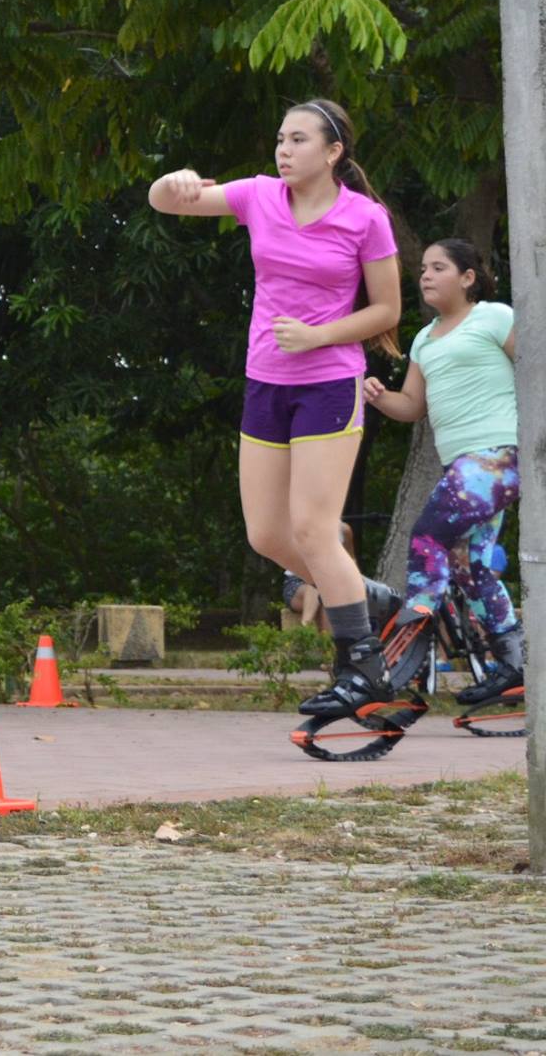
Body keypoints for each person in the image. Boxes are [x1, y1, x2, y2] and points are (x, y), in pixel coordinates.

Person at [148, 99, 402, 719]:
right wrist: (171, 182)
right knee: (267, 534)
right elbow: (167, 202)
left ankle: (363, 668)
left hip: (329, 382)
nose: (283, 151)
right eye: (280, 140)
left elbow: (387, 312)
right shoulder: (259, 196)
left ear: (333, 151)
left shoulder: (365, 218)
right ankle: (367, 593)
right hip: (265, 382)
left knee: (315, 530)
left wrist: (319, 336)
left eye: (298, 140)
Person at [362, 237, 523, 704]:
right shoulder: (424, 338)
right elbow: (412, 406)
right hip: (464, 465)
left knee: (427, 536)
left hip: (497, 455)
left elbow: (534, 369)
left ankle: (412, 633)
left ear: (468, 277)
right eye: (423, 270)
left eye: (439, 268)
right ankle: (513, 666)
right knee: (470, 565)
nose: (426, 276)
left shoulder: (494, 316)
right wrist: (378, 396)